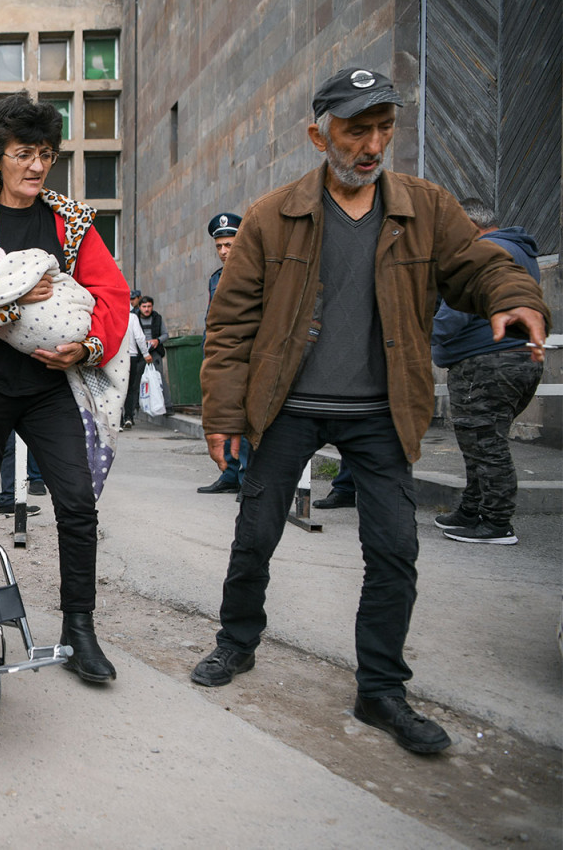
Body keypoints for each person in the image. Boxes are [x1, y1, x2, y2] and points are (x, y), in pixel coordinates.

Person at [191, 66, 549, 755]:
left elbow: (478, 266)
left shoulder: (426, 207)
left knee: (394, 549)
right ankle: (236, 642)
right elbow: (232, 324)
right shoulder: (272, 215)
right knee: (255, 533)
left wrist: (515, 293)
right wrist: (223, 414)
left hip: (380, 412)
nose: (372, 144)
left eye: (384, 129)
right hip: (288, 407)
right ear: (317, 132)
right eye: (357, 129)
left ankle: (380, 688)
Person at [0, 92, 130, 685]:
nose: (37, 165)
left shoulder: (71, 220)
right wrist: (11, 307)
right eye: (23, 153)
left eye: (46, 153)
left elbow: (112, 296)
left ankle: (79, 628)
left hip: (49, 386)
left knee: (75, 502)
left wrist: (87, 346)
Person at [431, 197, 545, 545]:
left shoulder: (481, 252)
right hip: (517, 360)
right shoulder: (518, 251)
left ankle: (497, 523)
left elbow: (455, 312)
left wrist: (420, 335)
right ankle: (471, 510)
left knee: (486, 444)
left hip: (486, 362)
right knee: (481, 440)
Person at [198, 212, 250, 493]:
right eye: (219, 246)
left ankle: (245, 479)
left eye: (229, 245)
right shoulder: (215, 278)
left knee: (239, 418)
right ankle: (229, 474)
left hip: (241, 357)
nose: (223, 251)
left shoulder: (252, 274)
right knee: (219, 415)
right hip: (217, 357)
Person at [120, 292, 151, 429]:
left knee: (118, 388)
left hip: (116, 358)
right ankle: (128, 417)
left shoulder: (113, 317)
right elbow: (139, 337)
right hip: (132, 356)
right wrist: (145, 353)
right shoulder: (132, 318)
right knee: (131, 388)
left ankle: (118, 420)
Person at [136, 296, 170, 411]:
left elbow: (165, 335)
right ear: (139, 307)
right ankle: (135, 408)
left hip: (155, 351)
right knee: (136, 378)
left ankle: (167, 406)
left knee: (159, 377)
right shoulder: (134, 319)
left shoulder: (157, 318)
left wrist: (157, 341)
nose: (147, 309)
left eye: (149, 306)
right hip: (139, 352)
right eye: (144, 306)